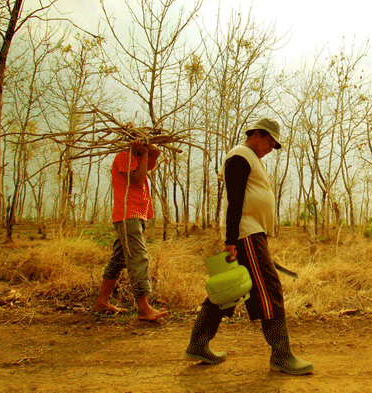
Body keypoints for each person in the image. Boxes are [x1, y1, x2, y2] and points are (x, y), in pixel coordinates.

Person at [184, 118, 314, 375]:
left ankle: (198, 344)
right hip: (246, 233)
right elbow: (235, 201)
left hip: (250, 232)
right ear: (257, 134)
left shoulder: (250, 158)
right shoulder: (240, 156)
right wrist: (231, 239)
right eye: (270, 142)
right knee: (269, 286)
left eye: (275, 145)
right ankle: (281, 354)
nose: (270, 148)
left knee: (232, 289)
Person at [92, 138, 168, 322]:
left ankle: (101, 301)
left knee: (118, 259)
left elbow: (148, 168)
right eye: (150, 156)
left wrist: (149, 156)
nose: (151, 161)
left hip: (134, 217)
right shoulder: (124, 158)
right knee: (138, 257)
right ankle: (143, 307)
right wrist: (143, 155)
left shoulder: (137, 160)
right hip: (128, 216)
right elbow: (137, 179)